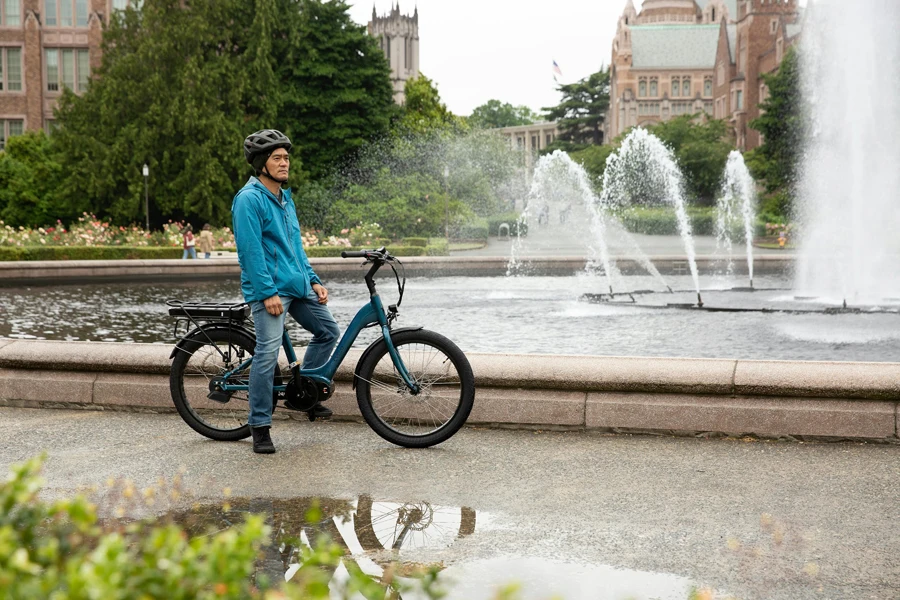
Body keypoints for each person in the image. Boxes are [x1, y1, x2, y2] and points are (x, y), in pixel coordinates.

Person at [232, 129, 340, 454]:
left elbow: (295, 248)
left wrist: (314, 280)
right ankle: (260, 425)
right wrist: (266, 293)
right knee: (267, 354)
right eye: (277, 158)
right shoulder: (248, 200)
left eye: (286, 157)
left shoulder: (285, 199)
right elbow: (250, 253)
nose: (284, 163)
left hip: (296, 285)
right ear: (262, 163)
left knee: (328, 332)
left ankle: (303, 393)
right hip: (269, 291)